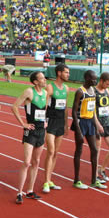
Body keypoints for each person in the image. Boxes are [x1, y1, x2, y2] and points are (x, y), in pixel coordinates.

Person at [12, 71, 47, 204]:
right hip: (30, 131)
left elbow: (45, 109)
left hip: (41, 131)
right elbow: (14, 106)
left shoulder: (45, 93)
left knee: (36, 161)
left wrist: (46, 121)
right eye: (42, 79)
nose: (44, 80)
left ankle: (30, 190)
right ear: (36, 81)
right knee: (27, 162)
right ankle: (19, 192)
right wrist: (23, 123)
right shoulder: (29, 92)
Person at [71, 70, 106, 190]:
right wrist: (78, 130)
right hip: (81, 122)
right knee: (79, 151)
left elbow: (93, 110)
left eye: (96, 79)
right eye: (92, 79)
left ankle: (93, 180)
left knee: (95, 150)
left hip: (90, 122)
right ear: (86, 78)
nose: (95, 81)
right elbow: (74, 112)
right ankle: (76, 180)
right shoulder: (80, 92)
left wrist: (96, 127)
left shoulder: (93, 91)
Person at [42, 64, 69, 193]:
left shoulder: (66, 89)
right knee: (51, 151)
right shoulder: (50, 88)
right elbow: (44, 106)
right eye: (66, 72)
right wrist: (43, 121)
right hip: (50, 122)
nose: (68, 75)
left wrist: (67, 124)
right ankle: (46, 182)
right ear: (59, 73)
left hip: (60, 122)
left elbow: (65, 108)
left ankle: (49, 179)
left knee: (56, 153)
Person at [94, 72, 109, 182]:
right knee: (97, 151)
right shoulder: (93, 92)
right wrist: (98, 124)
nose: (108, 86)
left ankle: (102, 169)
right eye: (107, 84)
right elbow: (92, 110)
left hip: (107, 124)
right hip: (96, 125)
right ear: (101, 81)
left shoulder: (107, 91)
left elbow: (107, 106)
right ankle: (95, 175)